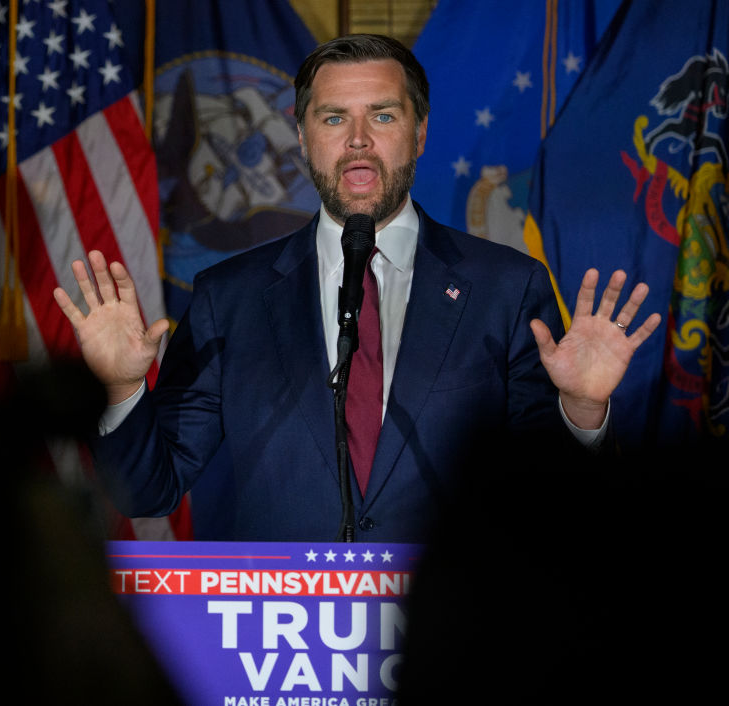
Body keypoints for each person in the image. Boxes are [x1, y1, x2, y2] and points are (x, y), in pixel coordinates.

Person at [52, 34, 661, 542]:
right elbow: (145, 491)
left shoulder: (507, 287)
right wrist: (125, 389)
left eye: (384, 115)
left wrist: (581, 412)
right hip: (285, 651)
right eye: (335, 117)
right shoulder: (227, 299)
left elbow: (557, 501)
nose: (359, 139)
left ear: (420, 134)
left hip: (447, 640)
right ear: (302, 136)